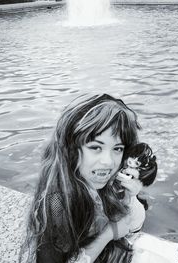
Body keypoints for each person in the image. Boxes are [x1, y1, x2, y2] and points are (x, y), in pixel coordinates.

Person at [19, 94, 146, 263]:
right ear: (70, 150)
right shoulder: (57, 204)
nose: (108, 161)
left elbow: (134, 226)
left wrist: (131, 197)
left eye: (117, 148)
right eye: (95, 147)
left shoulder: (106, 182)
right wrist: (108, 234)